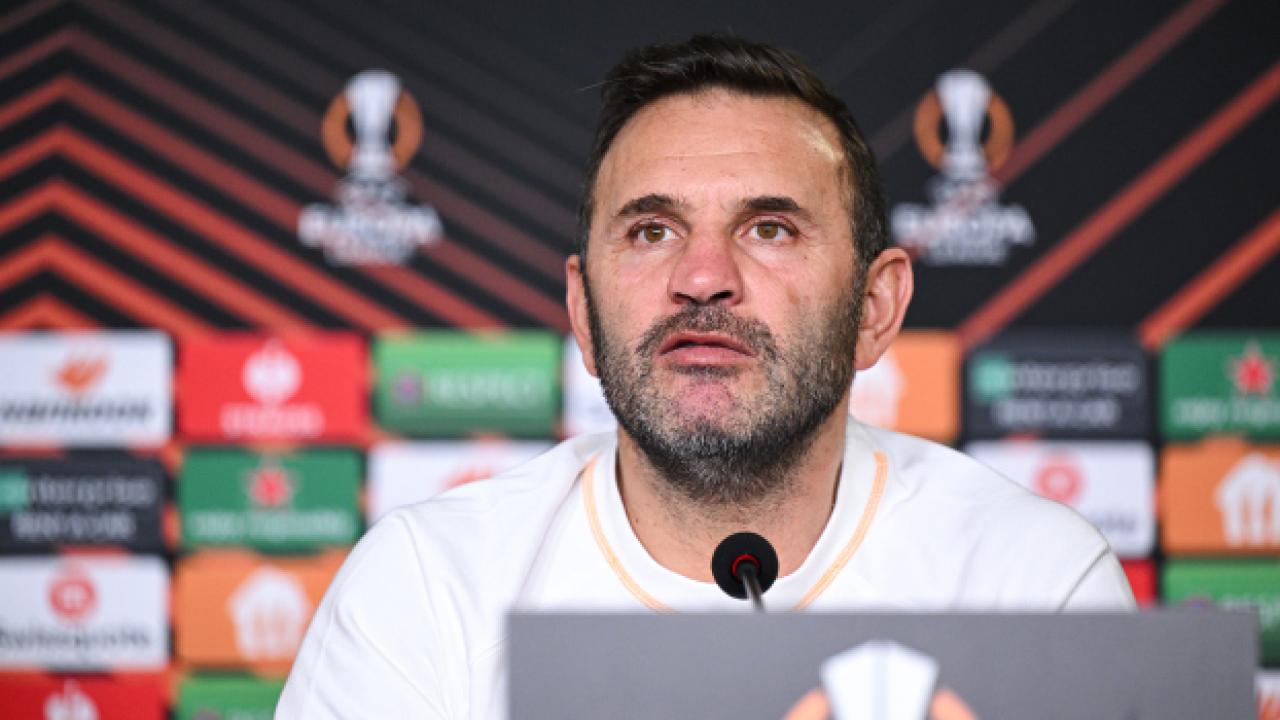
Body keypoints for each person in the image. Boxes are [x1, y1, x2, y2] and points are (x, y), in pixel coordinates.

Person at [276, 34, 1134, 718]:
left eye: (769, 228)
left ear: (875, 308)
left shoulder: (1030, 581)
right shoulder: (426, 586)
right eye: (651, 231)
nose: (702, 277)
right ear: (583, 311)